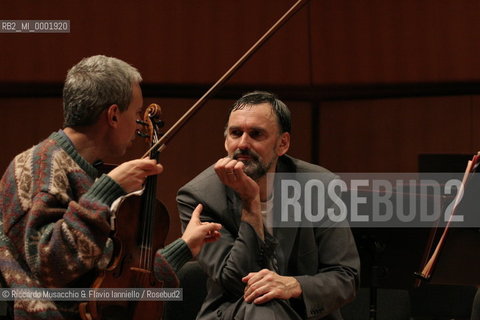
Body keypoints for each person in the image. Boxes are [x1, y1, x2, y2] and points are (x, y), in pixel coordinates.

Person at [0, 55, 221, 319]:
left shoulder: (87, 172)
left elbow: (108, 281)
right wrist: (108, 189)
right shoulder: (39, 166)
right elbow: (51, 265)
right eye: (137, 112)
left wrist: (185, 246)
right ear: (114, 115)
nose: (140, 122)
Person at [177, 91, 360, 319]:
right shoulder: (200, 197)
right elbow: (235, 281)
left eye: (256, 134)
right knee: (261, 307)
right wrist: (250, 203)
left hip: (302, 312)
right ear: (226, 141)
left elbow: (346, 276)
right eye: (236, 133)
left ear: (282, 143)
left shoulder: (320, 186)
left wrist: (294, 285)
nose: (243, 143)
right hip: (235, 311)